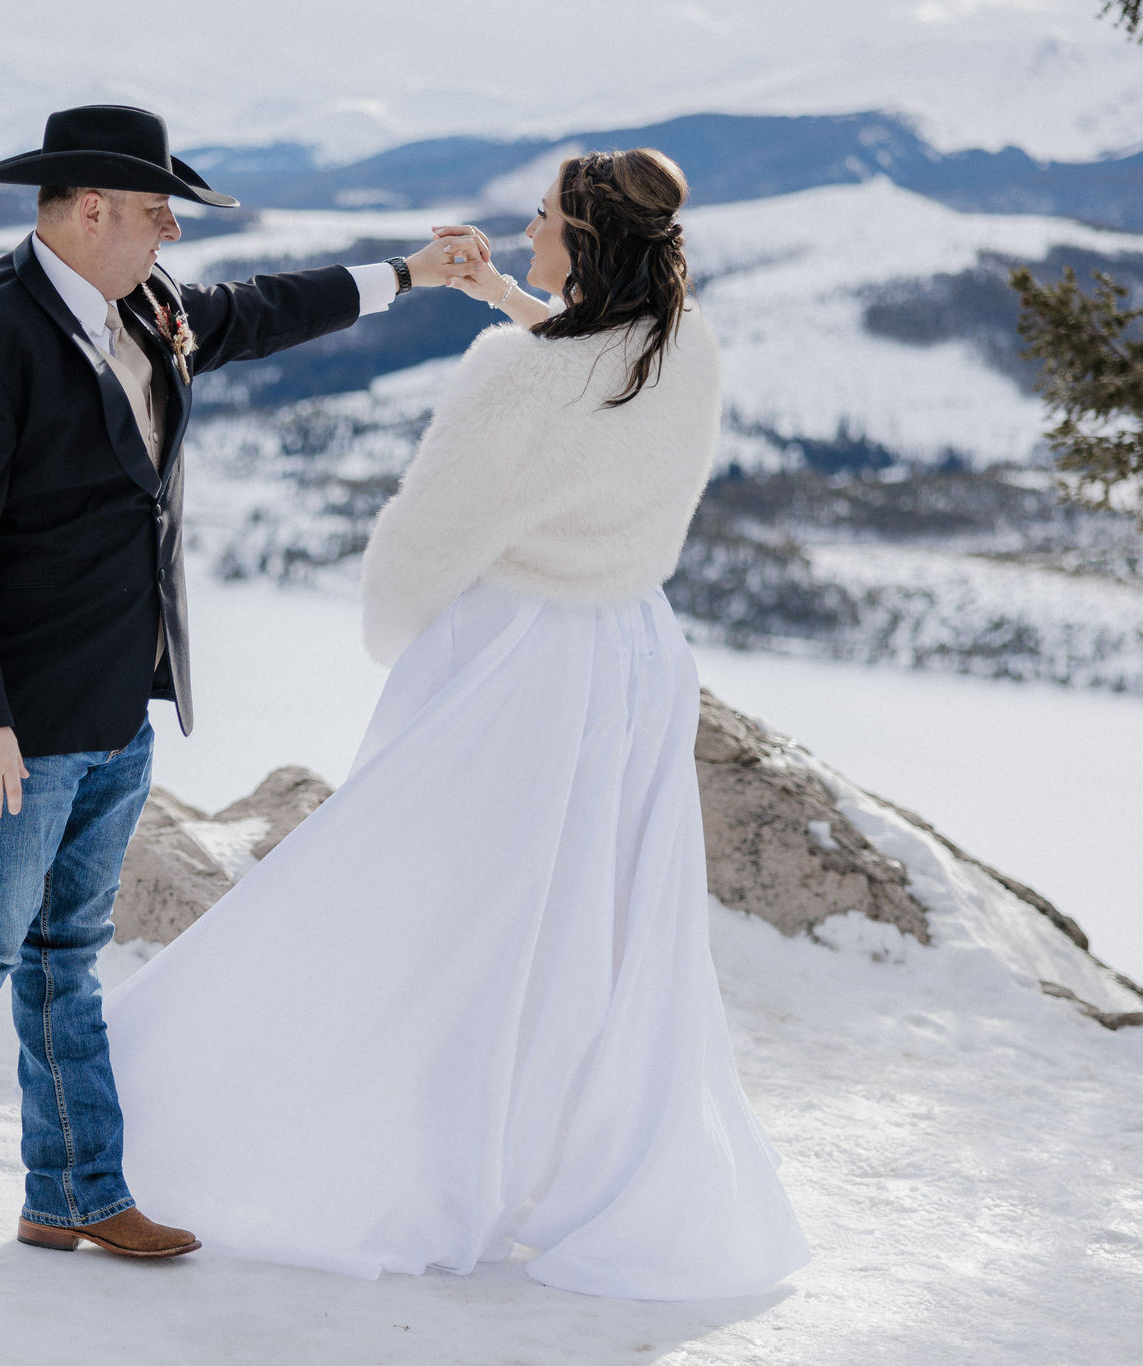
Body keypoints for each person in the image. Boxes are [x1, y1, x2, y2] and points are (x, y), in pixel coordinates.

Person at [102, 148, 814, 1299]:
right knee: (584, 913)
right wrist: (502, 299)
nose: (523, 232)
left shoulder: (512, 375)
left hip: (516, 658)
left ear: (577, 241)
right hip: (632, 655)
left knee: (419, 890)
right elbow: (586, 362)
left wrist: (399, 633)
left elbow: (429, 533)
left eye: (538, 221)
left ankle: (315, 1119)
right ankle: (541, 1147)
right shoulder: (684, 342)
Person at [0, 104, 487, 1278]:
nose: (169, 228)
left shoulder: (147, 305)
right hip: (16, 727)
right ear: (88, 209)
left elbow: (261, 310)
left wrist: (405, 274)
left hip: (118, 709)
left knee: (64, 955)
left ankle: (75, 1193)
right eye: (151, 209)